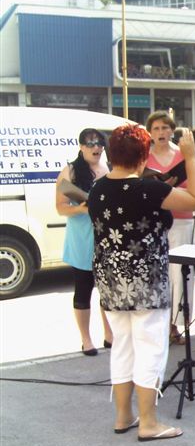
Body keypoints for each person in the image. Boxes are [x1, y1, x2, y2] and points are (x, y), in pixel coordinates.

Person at [88, 124, 195, 440]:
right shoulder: (147, 189)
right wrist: (190, 157)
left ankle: (123, 416)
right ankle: (149, 422)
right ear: (143, 156)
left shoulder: (96, 189)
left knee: (123, 347)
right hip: (146, 282)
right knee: (151, 347)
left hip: (111, 280)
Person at [54, 128, 113, 355]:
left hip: (106, 237)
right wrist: (82, 207)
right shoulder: (69, 171)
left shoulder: (108, 168)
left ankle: (109, 335)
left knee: (107, 291)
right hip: (81, 238)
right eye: (90, 143)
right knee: (83, 289)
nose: (96, 147)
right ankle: (86, 339)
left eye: (99, 143)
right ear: (80, 146)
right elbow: (60, 207)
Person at [145, 110, 192, 346]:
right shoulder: (144, 156)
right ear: (150, 133)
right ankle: (161, 324)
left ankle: (178, 324)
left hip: (183, 217)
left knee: (180, 273)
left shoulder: (183, 154)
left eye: (165, 128)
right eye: (156, 129)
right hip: (155, 222)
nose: (161, 132)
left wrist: (171, 189)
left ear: (172, 130)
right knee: (159, 274)